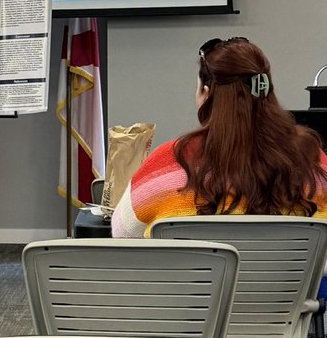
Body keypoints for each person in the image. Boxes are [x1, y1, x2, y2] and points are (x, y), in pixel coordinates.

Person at [111, 36, 327, 238]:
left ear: (206, 94)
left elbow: (122, 232)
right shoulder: (312, 159)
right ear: (265, 92)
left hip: (194, 269)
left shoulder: (169, 161)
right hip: (286, 269)